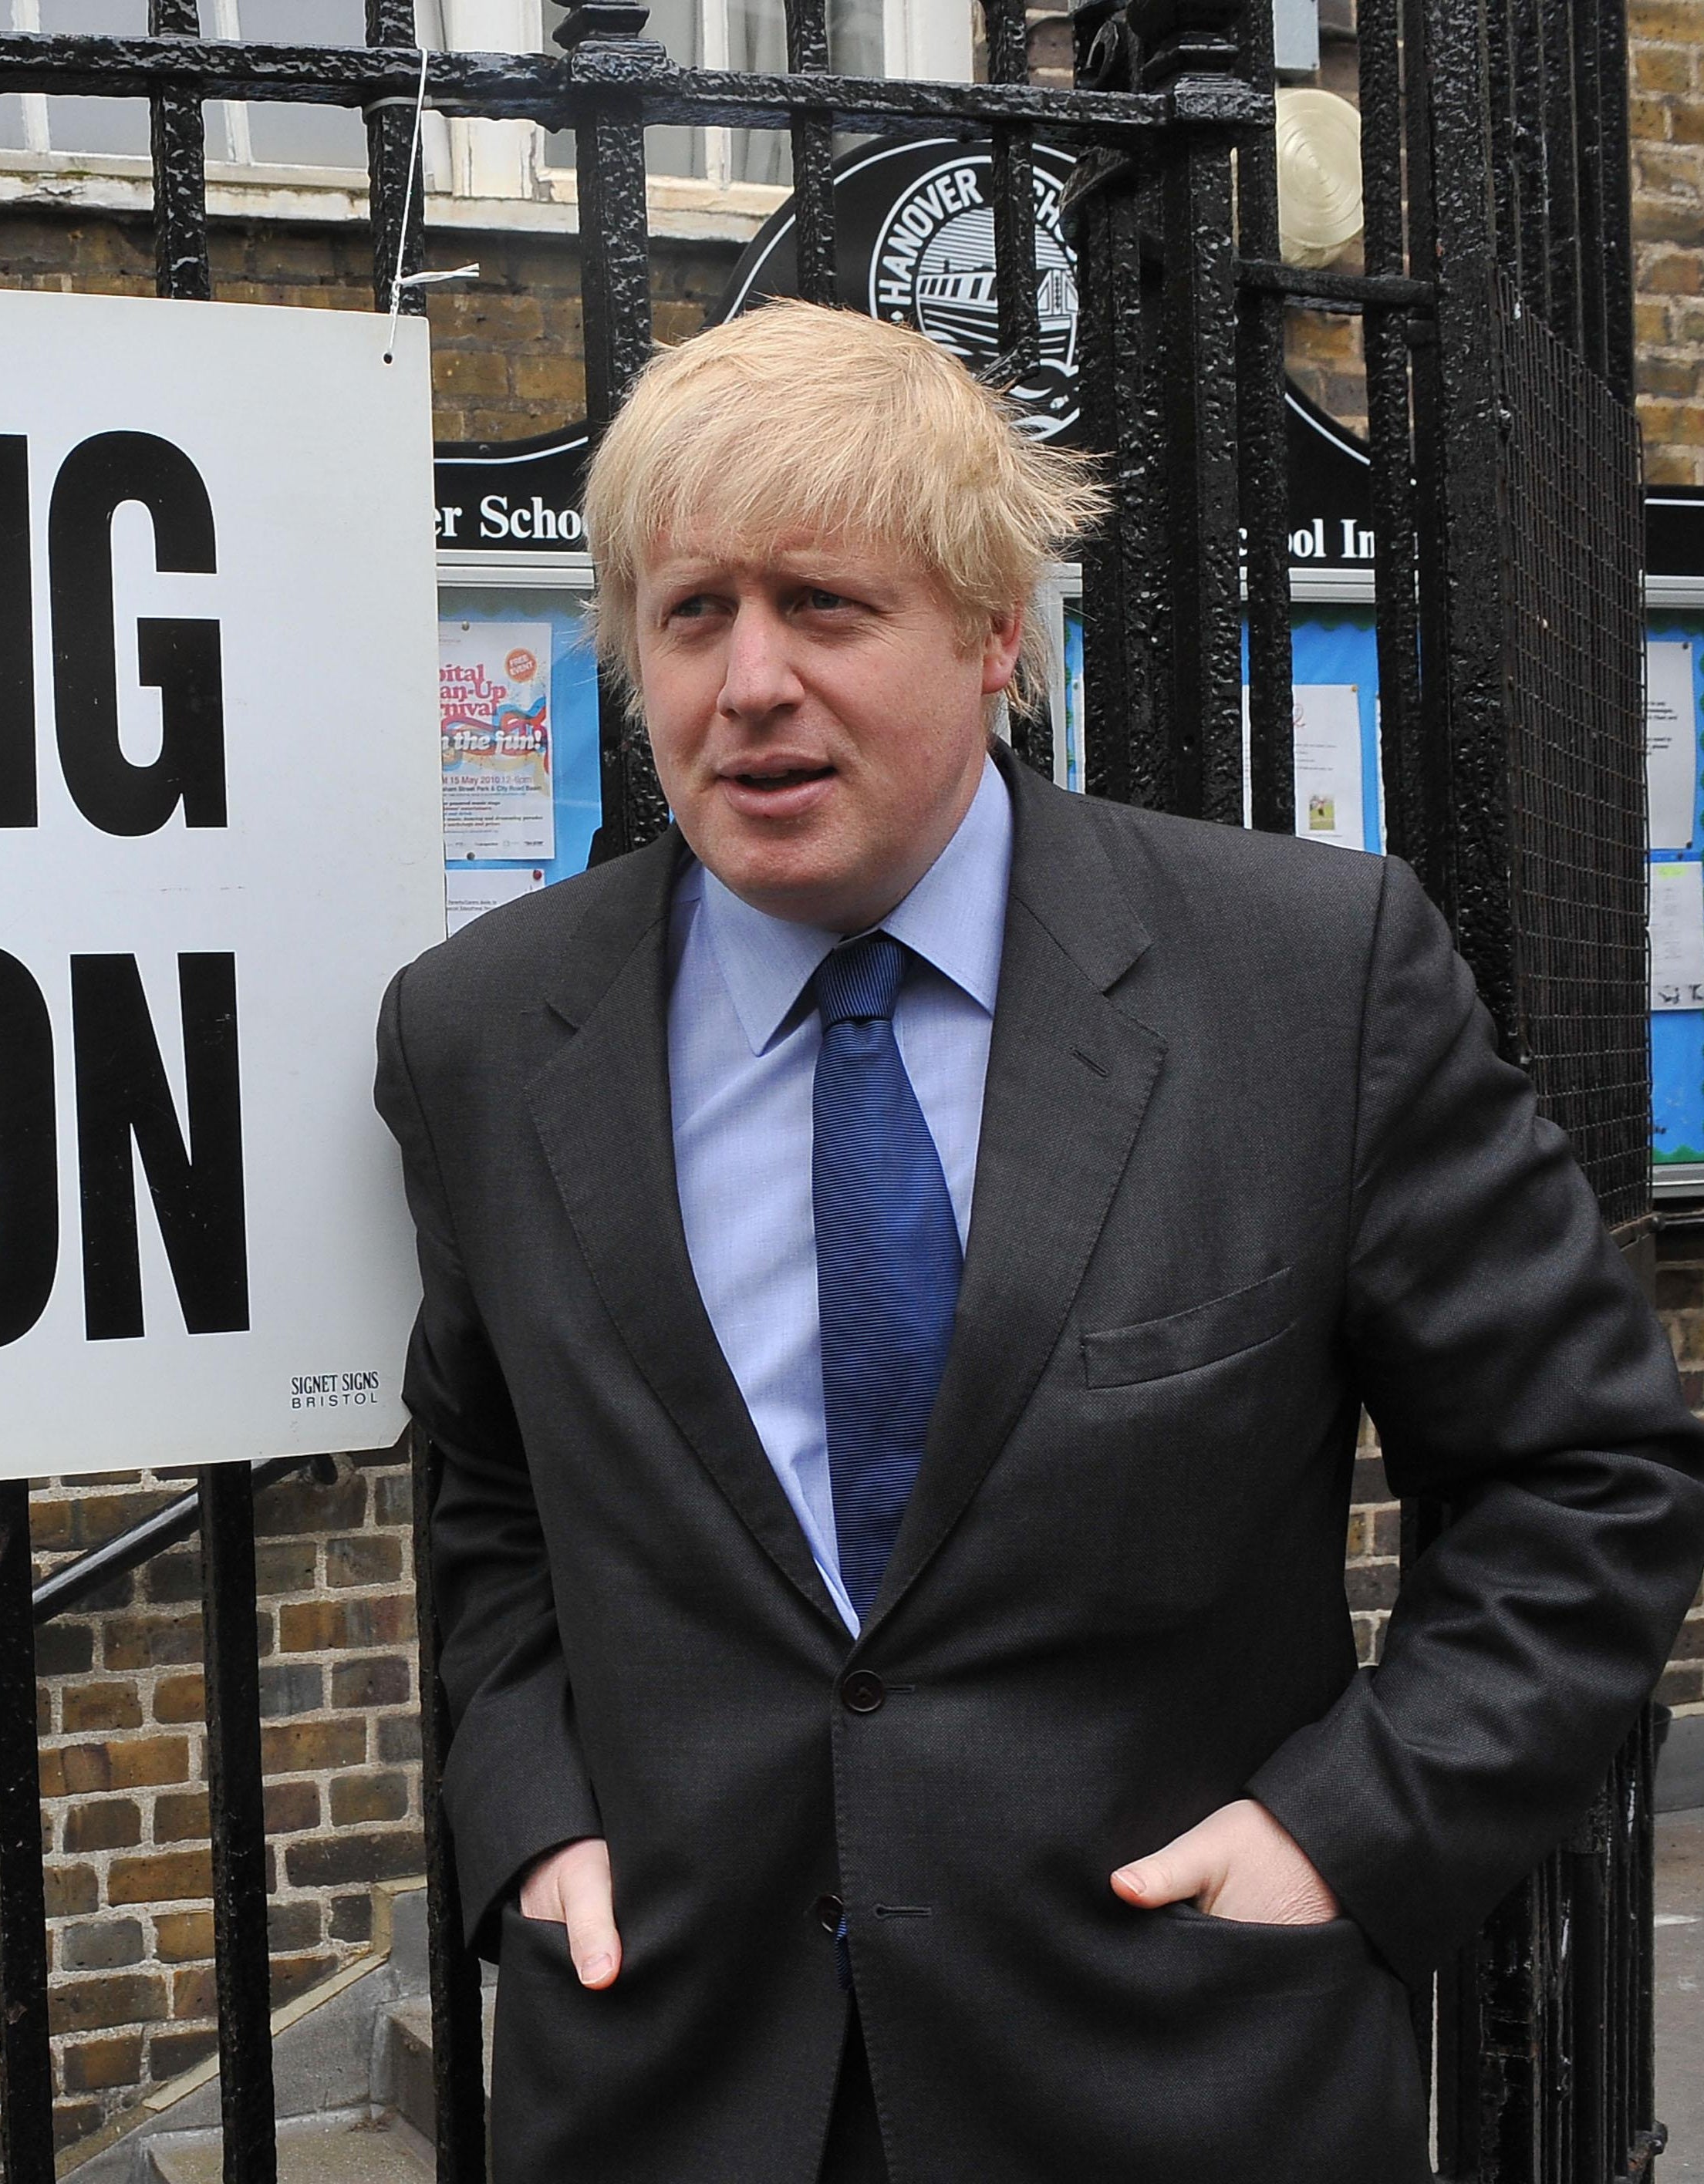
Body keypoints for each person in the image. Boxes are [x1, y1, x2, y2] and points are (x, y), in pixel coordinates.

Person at [373, 298, 1704, 2183]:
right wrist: (532, 1815)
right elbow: (491, 1484)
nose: (748, 681)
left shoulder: (1303, 980)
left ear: (998, 638)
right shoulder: (483, 1035)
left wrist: (1347, 1833)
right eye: (692, 614)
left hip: (1176, 2069)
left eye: (823, 606)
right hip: (674, 2077)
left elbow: (1590, 1481)